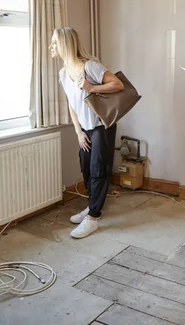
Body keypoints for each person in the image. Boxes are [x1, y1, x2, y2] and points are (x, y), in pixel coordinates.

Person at [50, 27, 124, 238]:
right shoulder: (63, 73)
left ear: (65, 44)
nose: (51, 47)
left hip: (102, 126)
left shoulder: (90, 66)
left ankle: (93, 217)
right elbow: (72, 105)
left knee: (98, 169)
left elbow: (117, 84)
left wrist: (92, 88)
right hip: (85, 129)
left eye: (54, 43)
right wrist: (78, 132)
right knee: (86, 166)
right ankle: (92, 205)